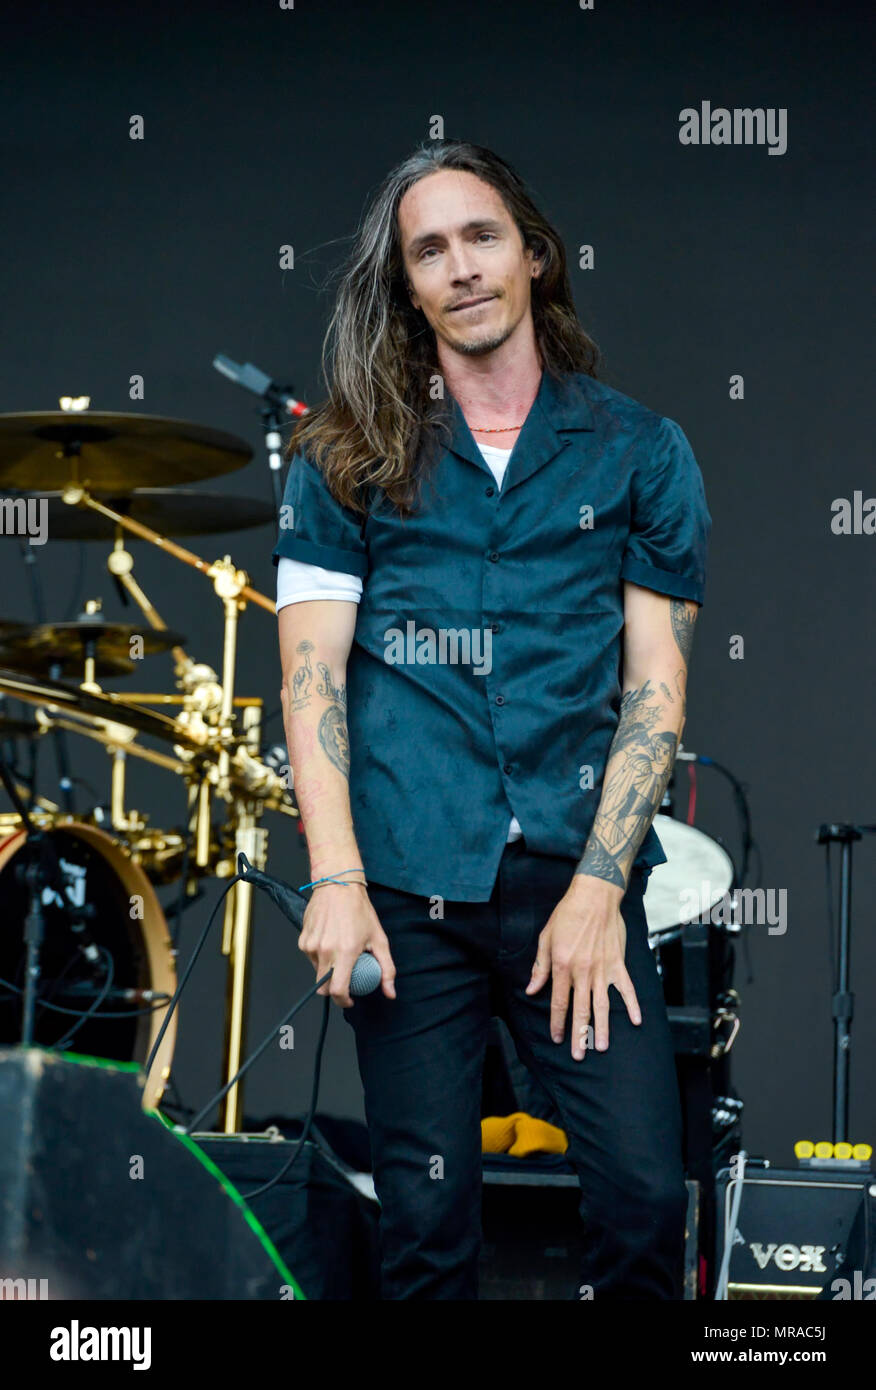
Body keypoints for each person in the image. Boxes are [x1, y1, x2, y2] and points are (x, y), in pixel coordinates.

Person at [273, 139, 711, 1300]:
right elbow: (311, 680)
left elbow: (656, 688)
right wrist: (335, 877)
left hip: (579, 883)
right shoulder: (346, 457)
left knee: (643, 1197)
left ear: (532, 256)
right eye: (430, 250)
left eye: (480, 236)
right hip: (410, 878)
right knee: (424, 1218)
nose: (460, 266)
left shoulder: (641, 450)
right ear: (407, 287)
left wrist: (600, 888)